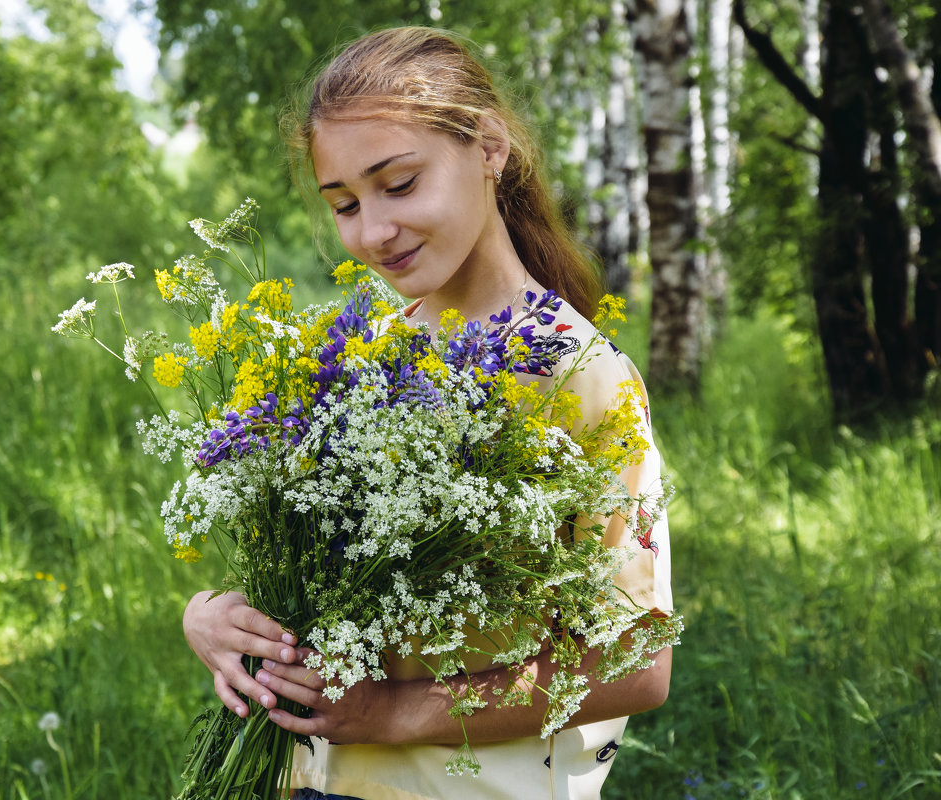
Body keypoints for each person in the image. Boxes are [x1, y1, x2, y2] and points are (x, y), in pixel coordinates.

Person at [182, 26, 675, 800]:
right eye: (344, 203)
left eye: (400, 184)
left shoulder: (581, 377)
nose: (373, 232)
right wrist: (214, 617)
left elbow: (637, 665)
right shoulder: (355, 356)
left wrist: (393, 711)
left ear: (488, 146)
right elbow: (303, 581)